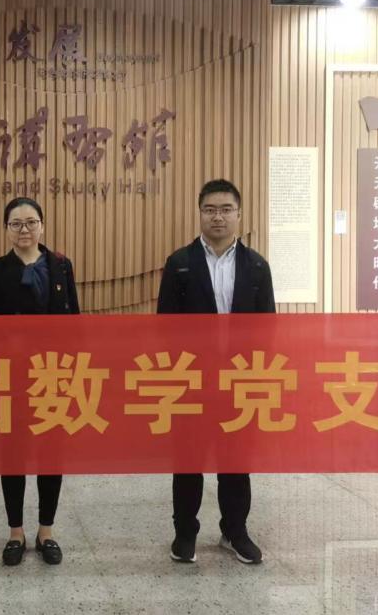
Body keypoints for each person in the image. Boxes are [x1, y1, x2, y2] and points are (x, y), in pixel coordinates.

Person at [156, 178, 274, 566]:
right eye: (210, 210)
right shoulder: (180, 263)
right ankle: (184, 533)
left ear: (239, 214)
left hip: (240, 380)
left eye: (225, 209)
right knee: (188, 461)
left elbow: (267, 328)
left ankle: (235, 532)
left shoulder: (257, 266)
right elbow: (165, 328)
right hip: (192, 380)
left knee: (235, 463)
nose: (217, 217)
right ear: (200, 214)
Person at [0, 197, 79, 566]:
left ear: (42, 226)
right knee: (13, 456)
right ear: (6, 229)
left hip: (53, 375)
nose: (25, 230)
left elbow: (74, 320)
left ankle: (46, 530)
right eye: (16, 223)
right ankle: (16, 531)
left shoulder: (61, 266)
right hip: (11, 377)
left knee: (51, 455)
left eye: (31, 222)